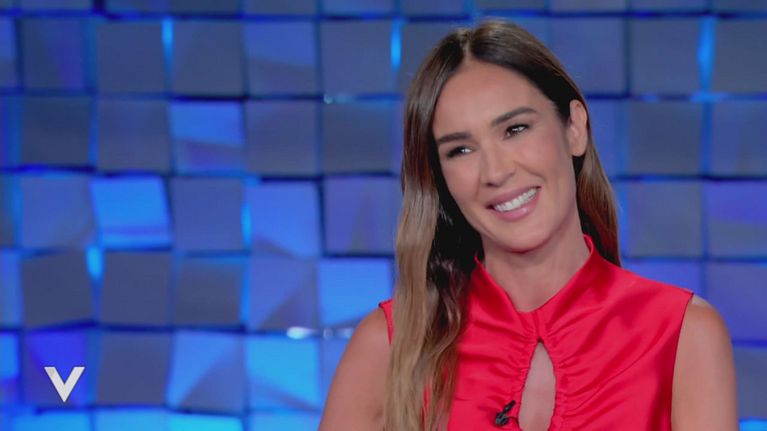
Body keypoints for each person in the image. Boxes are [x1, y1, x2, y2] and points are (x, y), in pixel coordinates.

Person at [319, 19, 737, 431]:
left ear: (574, 128)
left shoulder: (683, 335)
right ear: (440, 177)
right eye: (460, 150)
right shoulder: (388, 346)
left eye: (515, 129)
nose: (496, 171)